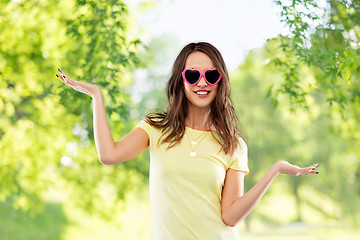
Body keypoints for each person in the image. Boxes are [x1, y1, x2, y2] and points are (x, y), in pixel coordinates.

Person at [56, 42, 319, 240]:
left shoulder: (234, 144)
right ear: (181, 81)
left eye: (211, 75)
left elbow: (230, 216)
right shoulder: (155, 128)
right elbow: (109, 155)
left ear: (221, 81)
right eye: (193, 75)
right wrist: (96, 96)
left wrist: (276, 169)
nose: (202, 82)